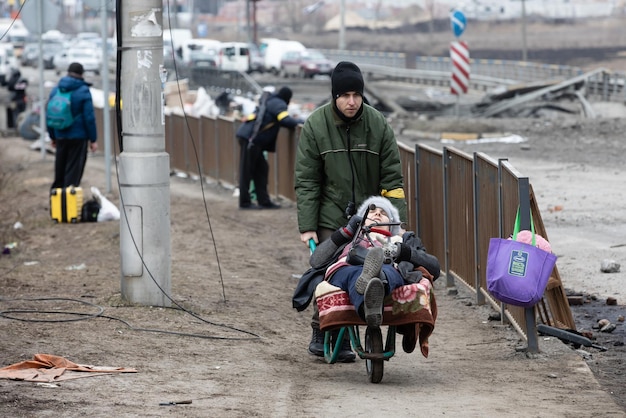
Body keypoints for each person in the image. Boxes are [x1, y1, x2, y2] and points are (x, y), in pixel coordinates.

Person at [295, 61, 408, 361]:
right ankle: (323, 330)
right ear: (334, 96)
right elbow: (307, 180)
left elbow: (393, 181)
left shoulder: (377, 124)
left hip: (371, 216)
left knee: (379, 263)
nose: (351, 101)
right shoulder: (316, 126)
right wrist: (308, 225)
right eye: (344, 95)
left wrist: (398, 223)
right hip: (330, 214)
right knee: (328, 268)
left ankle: (368, 308)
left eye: (356, 94)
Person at [310, 196, 440, 330]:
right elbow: (316, 261)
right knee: (354, 272)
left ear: (392, 224)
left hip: (387, 268)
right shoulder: (351, 236)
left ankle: (371, 291)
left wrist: (403, 251)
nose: (378, 213)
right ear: (361, 220)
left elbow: (435, 267)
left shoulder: (398, 241)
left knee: (390, 272)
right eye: (372, 211)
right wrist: (346, 232)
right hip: (347, 267)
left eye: (384, 213)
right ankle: (373, 285)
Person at [236, 86, 304, 209]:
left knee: (261, 169)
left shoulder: (271, 100)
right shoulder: (278, 103)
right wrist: (303, 122)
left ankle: (264, 201)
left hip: (251, 138)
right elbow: (285, 120)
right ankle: (244, 202)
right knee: (246, 170)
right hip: (251, 139)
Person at [48, 62, 98, 189]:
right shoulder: (83, 90)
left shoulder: (56, 89)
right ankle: (68, 205)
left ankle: (56, 205)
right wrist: (93, 140)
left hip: (60, 136)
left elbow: (50, 113)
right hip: (78, 137)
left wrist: (52, 136)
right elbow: (89, 118)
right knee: (72, 175)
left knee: (59, 173)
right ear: (81, 74)